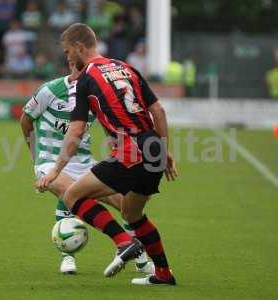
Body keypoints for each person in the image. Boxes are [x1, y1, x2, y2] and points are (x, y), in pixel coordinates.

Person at [36, 23, 177, 286]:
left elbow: (76, 129)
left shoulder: (86, 78)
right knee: (131, 214)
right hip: (153, 147)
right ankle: (163, 274)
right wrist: (164, 148)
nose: (68, 59)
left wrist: (56, 169)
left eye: (68, 53)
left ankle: (124, 242)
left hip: (130, 150)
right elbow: (158, 111)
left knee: (72, 195)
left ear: (80, 47)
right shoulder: (126, 68)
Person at [21, 61, 155, 275]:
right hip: (50, 161)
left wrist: (112, 140)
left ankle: (139, 256)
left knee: (127, 204)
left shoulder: (93, 91)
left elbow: (104, 120)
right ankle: (69, 256)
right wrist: (36, 158)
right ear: (71, 65)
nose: (84, 75)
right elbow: (26, 120)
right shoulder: (50, 90)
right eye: (80, 70)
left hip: (83, 162)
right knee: (69, 192)